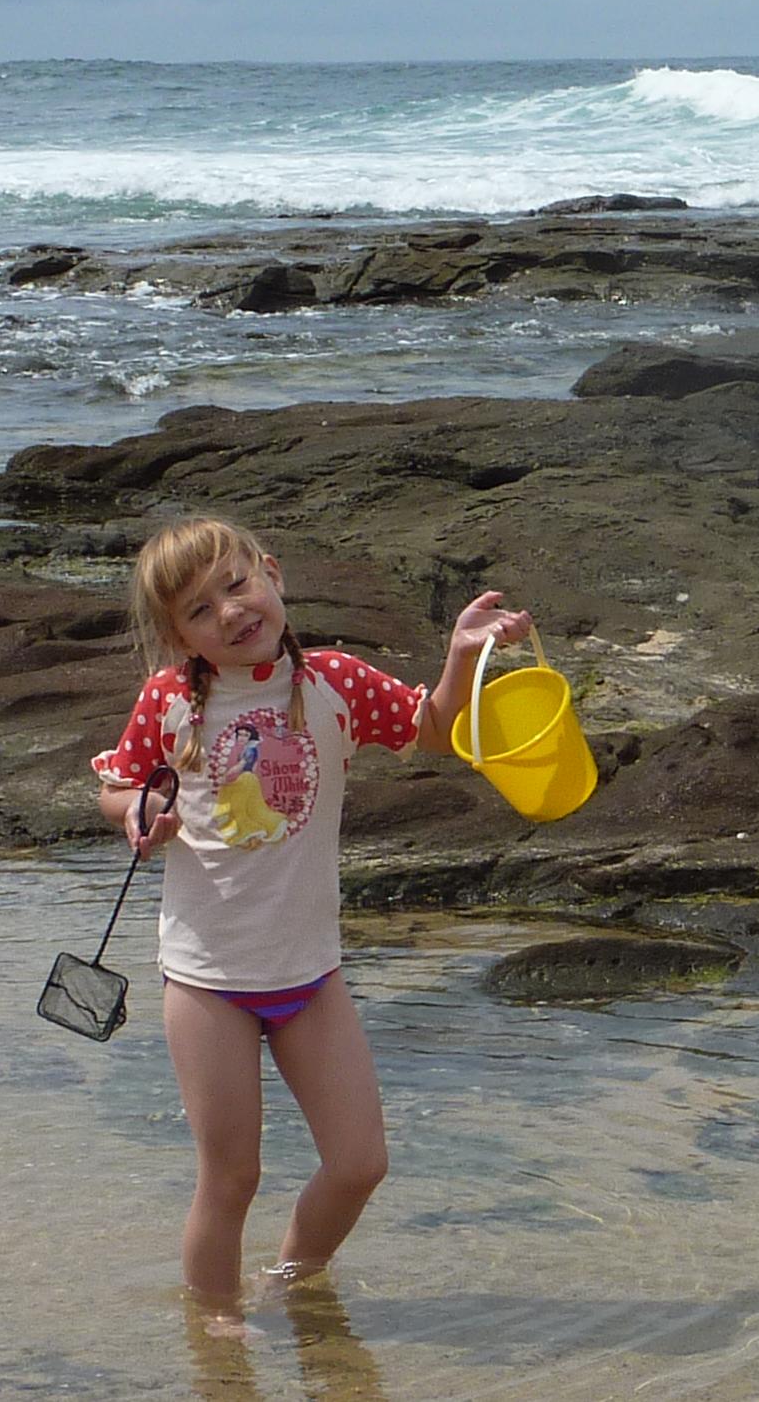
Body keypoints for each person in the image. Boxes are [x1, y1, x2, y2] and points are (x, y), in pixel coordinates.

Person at [93, 516, 530, 1320]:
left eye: (235, 584)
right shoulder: (171, 700)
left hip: (310, 974)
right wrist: (137, 811)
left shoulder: (337, 683)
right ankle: (216, 1334)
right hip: (208, 980)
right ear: (176, 637)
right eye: (198, 610)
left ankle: (291, 1282)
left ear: (272, 573)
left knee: (360, 1161)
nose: (228, 612)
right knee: (231, 1179)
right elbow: (118, 785)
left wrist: (464, 654)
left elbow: (432, 729)